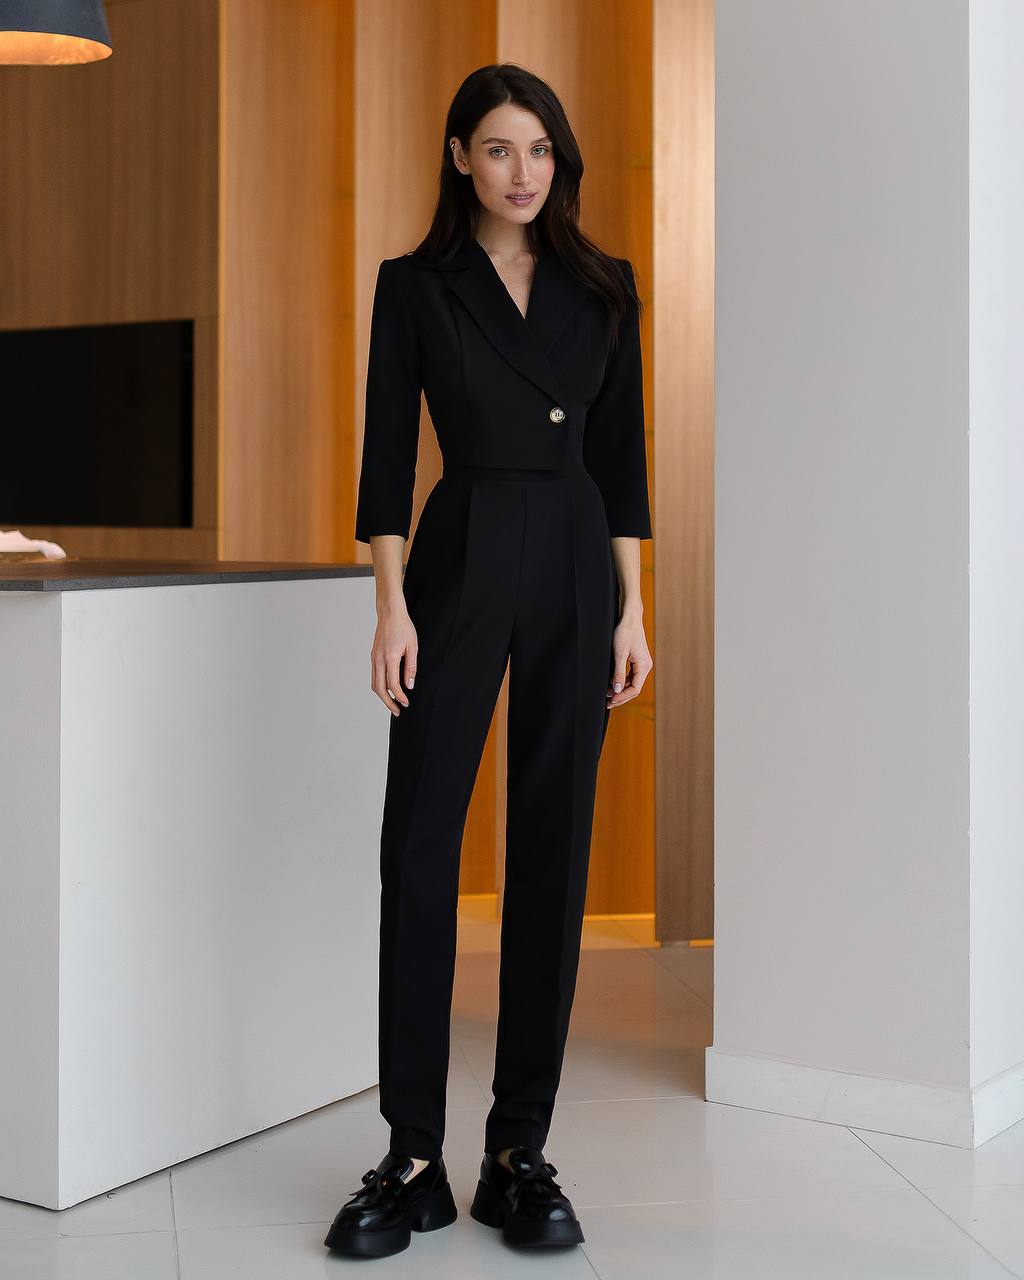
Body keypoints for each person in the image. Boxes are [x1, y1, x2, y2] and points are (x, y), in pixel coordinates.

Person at [324, 62, 653, 1260]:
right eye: (502, 149)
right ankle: (412, 1153)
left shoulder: (602, 285)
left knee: (551, 851)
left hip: (573, 560)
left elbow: (621, 459)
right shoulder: (416, 286)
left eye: (542, 151)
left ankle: (519, 1149)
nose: (525, 172)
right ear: (459, 153)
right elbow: (381, 460)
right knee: (417, 843)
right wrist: (389, 606)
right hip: (458, 556)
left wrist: (631, 608)